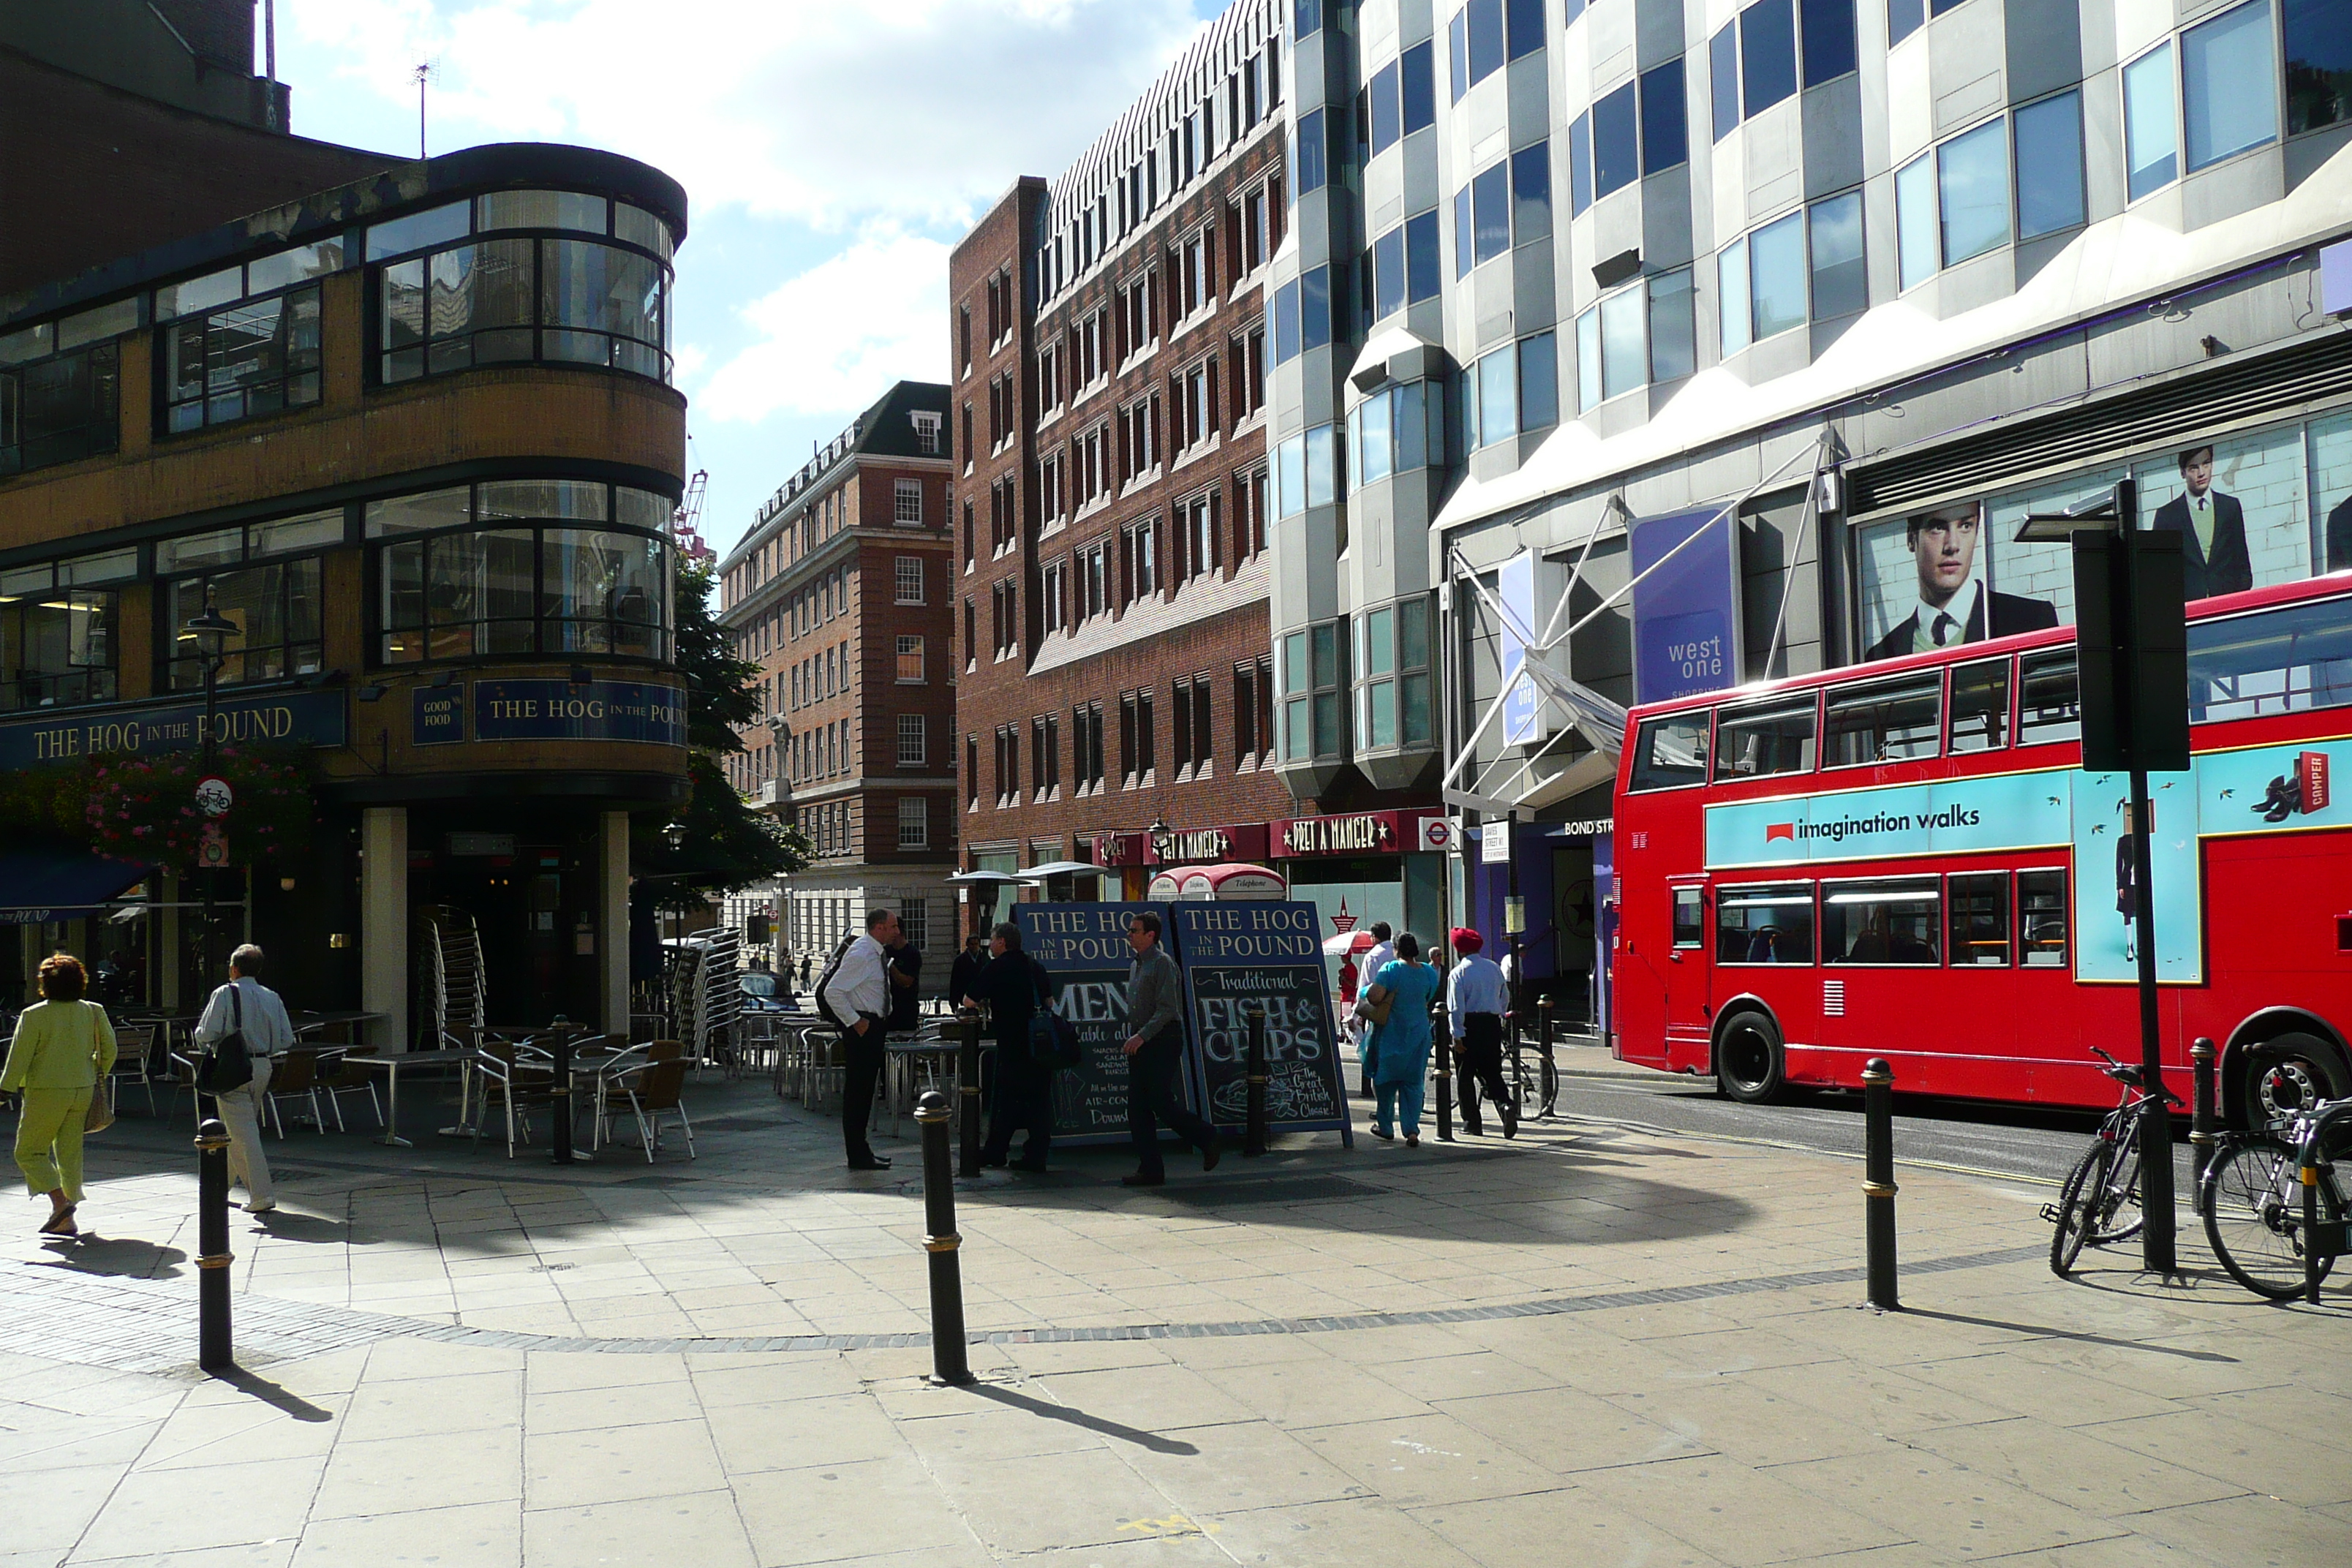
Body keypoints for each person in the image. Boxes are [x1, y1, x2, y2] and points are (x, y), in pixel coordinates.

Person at [3, 954, 117, 1237]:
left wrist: (5, 1088)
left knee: (28, 1151)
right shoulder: (93, 1011)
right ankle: (66, 1217)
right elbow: (110, 1049)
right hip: (83, 1088)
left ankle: (60, 1202)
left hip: (46, 1090)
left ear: (45, 984)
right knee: (69, 1153)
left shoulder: (34, 1015)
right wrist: (93, 1071)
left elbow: (19, 1057)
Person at [1864, 502, 2058, 662]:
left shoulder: (2032, 620)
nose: (1952, 546)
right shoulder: (1882, 654)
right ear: (1911, 538)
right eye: (1938, 528)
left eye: (1965, 526)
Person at [191, 943, 294, 1213]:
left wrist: (209, 1044)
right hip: (262, 1065)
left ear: (234, 968)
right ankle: (218, 1186)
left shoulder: (225, 993)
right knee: (237, 1129)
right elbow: (287, 1038)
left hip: (233, 1067)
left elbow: (205, 1032)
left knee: (243, 1134)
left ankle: (261, 1194)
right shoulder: (272, 996)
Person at [1119, 912, 1220, 1187]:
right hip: (1142, 1040)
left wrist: (1141, 1036)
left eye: (1134, 930)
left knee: (1160, 1101)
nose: (1129, 934)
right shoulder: (1136, 966)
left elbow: (1168, 1009)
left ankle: (1206, 1136)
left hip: (1162, 1039)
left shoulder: (1163, 964)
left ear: (1150, 935)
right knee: (1138, 1108)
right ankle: (1151, 1169)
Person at [818, 908, 899, 1170]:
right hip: (864, 1027)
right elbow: (833, 992)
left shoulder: (874, 952)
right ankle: (857, 1153)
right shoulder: (863, 953)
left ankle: (862, 1150)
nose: (897, 931)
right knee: (858, 1092)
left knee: (865, 1092)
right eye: (893, 926)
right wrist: (856, 1021)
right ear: (879, 928)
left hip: (873, 1025)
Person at [973, 922, 1056, 1172]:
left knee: (1006, 1101)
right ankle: (1036, 1155)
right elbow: (1050, 1002)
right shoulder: (1034, 966)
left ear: (1002, 942)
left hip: (1011, 1045)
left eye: (992, 938)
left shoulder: (997, 967)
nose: (990, 943)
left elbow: (970, 998)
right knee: (1038, 1103)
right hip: (1039, 1047)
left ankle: (995, 1151)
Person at [1361, 932, 1442, 1147]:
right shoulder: (1428, 972)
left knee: (1385, 1081)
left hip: (1392, 1033)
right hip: (1418, 1033)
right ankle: (1411, 1130)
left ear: (1396, 949)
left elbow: (1375, 997)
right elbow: (1429, 996)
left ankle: (1385, 1126)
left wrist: (1364, 991)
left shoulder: (1391, 969)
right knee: (1413, 1083)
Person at [2149, 445, 2253, 600]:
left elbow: (2241, 559)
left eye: (2206, 464)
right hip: (2188, 609)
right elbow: (2160, 573)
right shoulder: (2167, 516)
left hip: (2227, 603)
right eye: (2193, 468)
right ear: (2183, 473)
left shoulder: (2229, 507)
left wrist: (2237, 597)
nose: (2201, 473)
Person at [1446, 928, 1516, 1139]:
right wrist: (1501, 1015)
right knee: (1493, 1072)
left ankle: (1472, 1122)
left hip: (1470, 1025)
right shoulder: (1494, 968)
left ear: (1459, 950)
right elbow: (1505, 995)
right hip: (1492, 1024)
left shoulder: (1458, 973)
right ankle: (1506, 1105)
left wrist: (1457, 1035)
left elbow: (1455, 1008)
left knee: (1465, 1077)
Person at [1353, 922, 1394, 1093]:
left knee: (1378, 1063)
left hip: (1379, 1014)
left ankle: (1384, 1110)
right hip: (1402, 1014)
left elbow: (1365, 989)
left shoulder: (1373, 956)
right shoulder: (1398, 953)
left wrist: (1356, 1015)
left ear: (1375, 937)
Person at [886, 929, 922, 1033]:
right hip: (887, 1008)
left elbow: (907, 983)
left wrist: (891, 966)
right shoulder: (886, 950)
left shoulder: (912, 953)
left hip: (906, 1008)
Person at [948, 930, 990, 1012]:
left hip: (981, 999)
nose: (974, 947)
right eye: (972, 944)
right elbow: (955, 982)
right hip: (965, 996)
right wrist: (954, 1004)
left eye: (976, 944)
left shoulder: (985, 959)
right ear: (967, 945)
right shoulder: (960, 960)